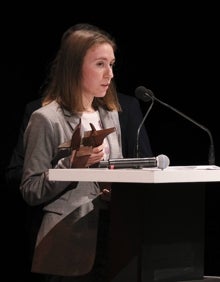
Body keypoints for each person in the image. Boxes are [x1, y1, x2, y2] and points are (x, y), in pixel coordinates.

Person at [16, 23, 152, 282]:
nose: (109, 74)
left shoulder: (111, 114)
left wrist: (117, 190)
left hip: (115, 238)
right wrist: (72, 166)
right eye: (100, 64)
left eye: (112, 64)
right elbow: (30, 189)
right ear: (75, 66)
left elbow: (117, 171)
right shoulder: (46, 119)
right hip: (68, 239)